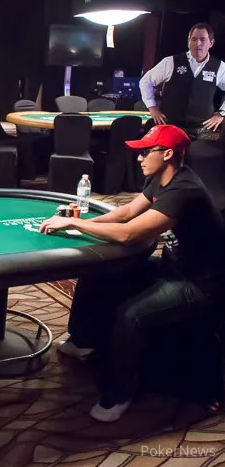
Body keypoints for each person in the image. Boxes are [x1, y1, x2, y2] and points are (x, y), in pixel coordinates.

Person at [38, 124, 225, 423]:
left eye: (145, 152)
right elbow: (125, 213)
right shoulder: (160, 179)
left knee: (132, 315)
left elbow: (128, 233)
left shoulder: (184, 189)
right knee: (100, 272)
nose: (138, 158)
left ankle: (119, 393)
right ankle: (83, 341)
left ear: (168, 154)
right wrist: (79, 220)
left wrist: (74, 224)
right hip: (173, 267)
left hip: (200, 283)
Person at [139, 22, 225, 140]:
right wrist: (152, 107)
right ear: (188, 41)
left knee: (203, 153)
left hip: (202, 130)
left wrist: (221, 114)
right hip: (170, 126)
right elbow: (145, 81)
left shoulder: (220, 67)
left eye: (202, 39)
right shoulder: (171, 62)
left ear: (211, 43)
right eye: (194, 39)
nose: (198, 43)